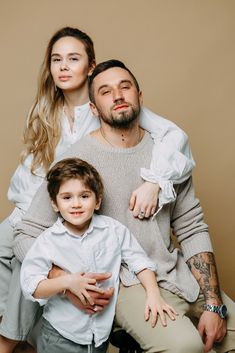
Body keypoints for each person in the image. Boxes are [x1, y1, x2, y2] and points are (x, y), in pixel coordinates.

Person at [15, 60, 235, 353]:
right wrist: (66, 282)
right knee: (185, 347)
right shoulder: (75, 160)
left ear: (140, 96)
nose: (117, 95)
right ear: (94, 109)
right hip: (123, 285)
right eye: (105, 91)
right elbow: (26, 233)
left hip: (175, 274)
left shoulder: (167, 156)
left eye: (125, 87)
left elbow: (192, 226)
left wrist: (213, 303)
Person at [0, 27, 195, 352]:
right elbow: (32, 174)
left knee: (32, 257)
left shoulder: (109, 104)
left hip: (72, 214)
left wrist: (155, 180)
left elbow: (175, 137)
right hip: (31, 207)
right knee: (9, 250)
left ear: (91, 66)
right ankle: (27, 336)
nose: (63, 67)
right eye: (56, 60)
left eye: (73, 59)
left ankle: (9, 341)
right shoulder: (46, 109)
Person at [20, 157, 177, 353]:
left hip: (99, 337)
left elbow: (140, 262)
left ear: (97, 201)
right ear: (54, 204)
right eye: (67, 197)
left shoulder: (113, 230)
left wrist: (154, 295)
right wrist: (68, 282)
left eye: (84, 196)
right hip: (60, 336)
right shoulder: (48, 241)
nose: (76, 204)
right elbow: (31, 286)